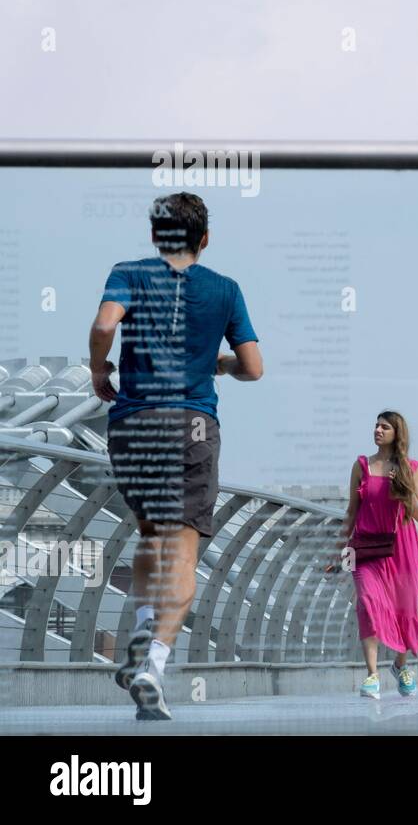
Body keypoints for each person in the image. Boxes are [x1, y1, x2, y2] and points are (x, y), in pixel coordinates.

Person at [91, 192, 263, 720]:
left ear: (154, 236)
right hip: (190, 424)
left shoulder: (128, 272)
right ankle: (153, 663)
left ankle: (143, 627)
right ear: (204, 238)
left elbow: (104, 327)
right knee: (183, 550)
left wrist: (100, 370)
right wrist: (219, 364)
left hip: (133, 422)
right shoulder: (225, 290)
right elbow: (254, 368)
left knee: (150, 537)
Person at [330, 411, 418, 699]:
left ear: (397, 433)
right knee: (368, 604)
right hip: (366, 548)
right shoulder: (361, 466)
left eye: (384, 426)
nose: (377, 430)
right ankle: (372, 675)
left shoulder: (411, 468)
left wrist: (404, 488)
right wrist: (338, 553)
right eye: (376, 425)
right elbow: (351, 513)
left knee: (405, 610)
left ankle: (400, 665)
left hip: (402, 551)